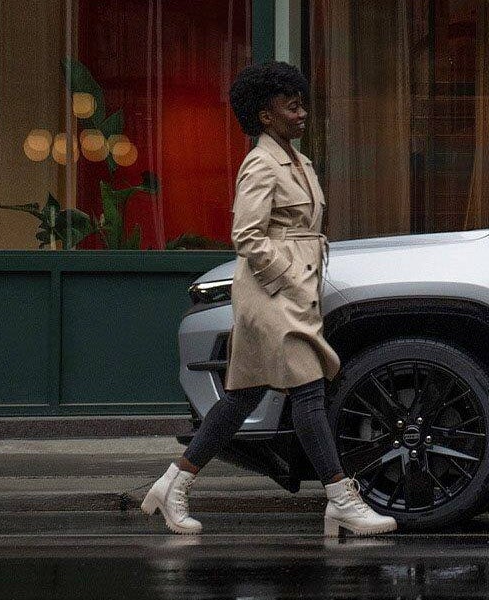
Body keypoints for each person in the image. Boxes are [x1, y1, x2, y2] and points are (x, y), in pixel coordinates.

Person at [140, 61, 395, 537]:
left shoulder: (299, 162)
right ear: (265, 115)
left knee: (240, 400)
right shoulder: (261, 163)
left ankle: (172, 483)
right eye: (290, 105)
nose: (302, 113)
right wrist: (285, 279)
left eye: (302, 103)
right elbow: (247, 235)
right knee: (309, 390)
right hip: (273, 297)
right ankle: (341, 497)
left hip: (293, 293)